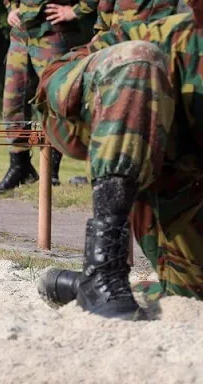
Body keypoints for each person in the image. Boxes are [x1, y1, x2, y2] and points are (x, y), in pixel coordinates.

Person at [34, 8, 202, 320]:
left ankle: (85, 286)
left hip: (176, 173)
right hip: (91, 95)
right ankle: (102, 275)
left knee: (191, 293)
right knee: (139, 62)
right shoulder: (178, 41)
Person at [0, 0, 97, 196]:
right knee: (13, 102)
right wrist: (11, 8)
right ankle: (20, 168)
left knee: (55, 100)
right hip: (21, 35)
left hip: (54, 33)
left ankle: (52, 170)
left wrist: (75, 11)